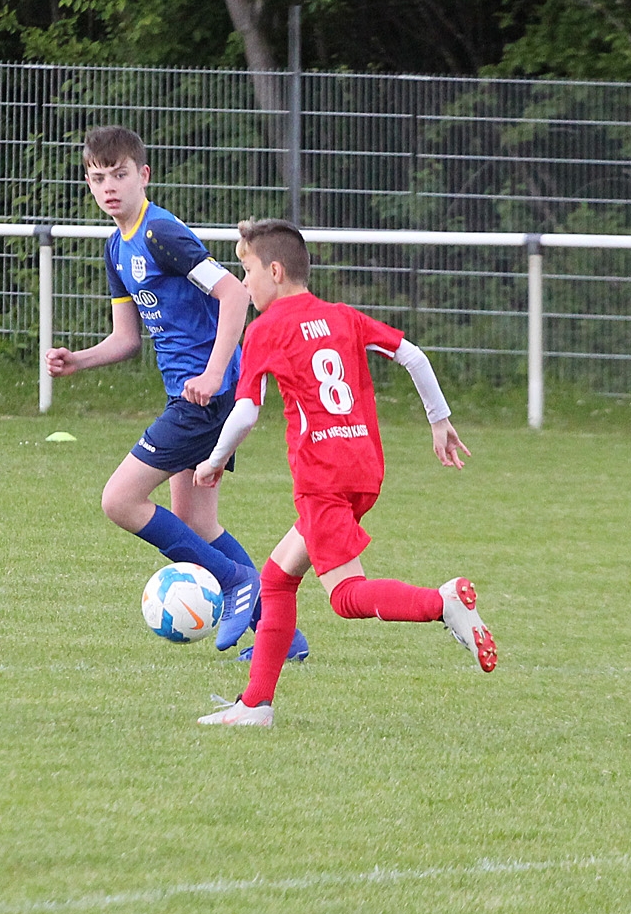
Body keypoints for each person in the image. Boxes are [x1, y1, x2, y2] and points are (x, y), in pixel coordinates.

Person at [192, 218, 496, 727]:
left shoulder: (265, 329)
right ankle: (255, 705)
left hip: (321, 477)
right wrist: (439, 421)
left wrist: (214, 460)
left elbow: (245, 412)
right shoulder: (341, 316)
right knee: (277, 579)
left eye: (247, 272)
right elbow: (413, 356)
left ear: (274, 271)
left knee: (345, 596)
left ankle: (442, 603)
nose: (244, 284)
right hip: (363, 469)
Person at [45, 127, 305, 657]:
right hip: (191, 396)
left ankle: (234, 581)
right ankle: (283, 639)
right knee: (196, 523)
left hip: (208, 396)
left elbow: (233, 293)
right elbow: (126, 339)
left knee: (120, 500)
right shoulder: (116, 248)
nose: (109, 186)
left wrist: (212, 374)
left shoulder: (161, 232)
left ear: (143, 175)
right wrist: (80, 360)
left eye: (120, 174)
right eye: (98, 178)